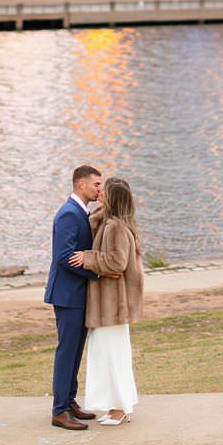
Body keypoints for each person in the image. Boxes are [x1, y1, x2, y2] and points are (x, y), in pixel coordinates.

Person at [70, 176, 144, 425]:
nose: (99, 190)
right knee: (107, 354)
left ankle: (120, 408)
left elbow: (117, 262)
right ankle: (118, 404)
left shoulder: (115, 227)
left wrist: (88, 258)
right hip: (107, 305)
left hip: (112, 305)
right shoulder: (107, 222)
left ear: (112, 198)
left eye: (104, 189)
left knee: (113, 356)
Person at [42, 163, 103, 430]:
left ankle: (69, 401)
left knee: (76, 350)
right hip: (67, 295)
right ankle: (59, 411)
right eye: (96, 184)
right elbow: (65, 257)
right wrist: (96, 274)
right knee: (67, 351)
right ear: (81, 184)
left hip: (77, 294)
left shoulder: (82, 211)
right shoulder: (68, 214)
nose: (99, 189)